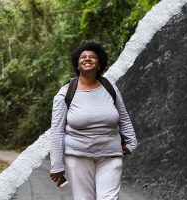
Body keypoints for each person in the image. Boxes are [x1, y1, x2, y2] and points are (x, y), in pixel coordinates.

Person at [49, 42, 137, 200]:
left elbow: (123, 117)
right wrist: (57, 164)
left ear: (99, 64)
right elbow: (56, 130)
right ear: (77, 65)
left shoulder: (110, 88)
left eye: (92, 57)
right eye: (83, 57)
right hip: (78, 156)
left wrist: (131, 143)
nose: (87, 59)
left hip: (110, 154)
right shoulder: (65, 93)